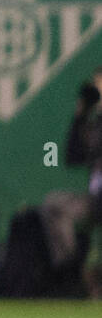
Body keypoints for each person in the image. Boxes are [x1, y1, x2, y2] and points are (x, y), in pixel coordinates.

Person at [66, 66, 102, 297]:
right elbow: (72, 158)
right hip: (94, 199)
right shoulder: (92, 123)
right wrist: (81, 114)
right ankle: (69, 271)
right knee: (54, 205)